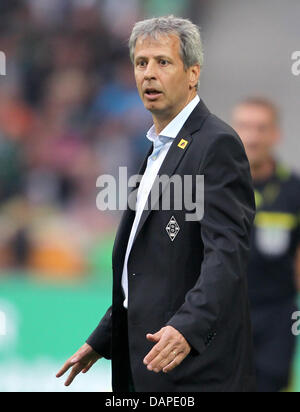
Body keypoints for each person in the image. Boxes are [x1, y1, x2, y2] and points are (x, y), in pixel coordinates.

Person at [56, 15, 256, 392]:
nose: (149, 73)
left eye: (163, 62)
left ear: (193, 73)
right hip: (145, 367)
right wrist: (103, 337)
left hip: (195, 372)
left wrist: (187, 327)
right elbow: (149, 269)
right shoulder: (155, 151)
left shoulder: (216, 145)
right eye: (141, 62)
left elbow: (226, 255)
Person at [232, 97, 300, 392]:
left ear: (276, 134)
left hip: (277, 317)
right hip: (222, 315)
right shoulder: (212, 188)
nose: (252, 137)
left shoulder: (294, 191)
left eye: (261, 128)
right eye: (245, 127)